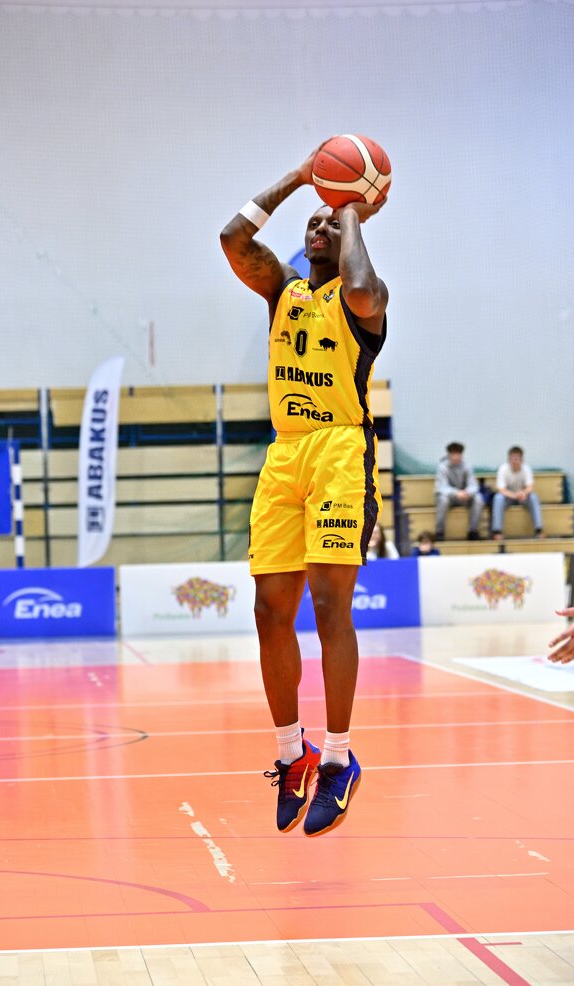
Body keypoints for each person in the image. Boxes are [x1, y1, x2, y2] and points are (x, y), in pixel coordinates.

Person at [220, 146, 388, 837]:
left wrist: (348, 210)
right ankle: (294, 754)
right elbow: (233, 237)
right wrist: (300, 177)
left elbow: (363, 287)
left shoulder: (362, 300)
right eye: (313, 223)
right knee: (269, 611)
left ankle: (341, 760)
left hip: (341, 452)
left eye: (330, 223)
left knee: (328, 607)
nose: (320, 226)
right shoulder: (283, 291)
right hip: (285, 453)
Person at [491, 446, 544, 540]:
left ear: (521, 460)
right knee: (498, 498)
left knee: (533, 497)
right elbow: (501, 489)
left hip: (522, 497)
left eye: (517, 459)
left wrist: (524, 493)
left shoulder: (526, 468)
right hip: (508, 497)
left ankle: (539, 530)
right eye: (512, 459)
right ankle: (497, 531)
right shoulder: (503, 469)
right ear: (508, 460)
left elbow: (530, 487)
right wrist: (514, 495)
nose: (514, 461)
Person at [434, 442, 484, 541]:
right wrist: (456, 493)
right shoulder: (442, 467)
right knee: (443, 500)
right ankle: (439, 531)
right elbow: (441, 487)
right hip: (450, 497)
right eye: (453, 454)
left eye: (458, 454)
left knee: (478, 499)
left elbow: (473, 485)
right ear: (449, 455)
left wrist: (468, 492)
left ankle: (473, 531)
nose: (456, 457)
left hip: (464, 497)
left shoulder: (467, 466)